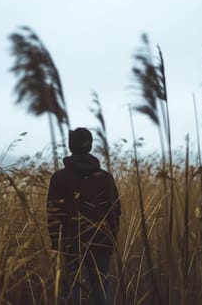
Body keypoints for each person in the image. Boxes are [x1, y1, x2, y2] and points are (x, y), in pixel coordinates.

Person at [47, 128, 121, 305]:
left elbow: (53, 214)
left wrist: (57, 244)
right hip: (101, 241)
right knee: (101, 293)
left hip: (70, 243)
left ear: (70, 146)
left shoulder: (59, 177)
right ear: (91, 146)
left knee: (71, 294)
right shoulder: (105, 178)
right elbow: (115, 212)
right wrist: (111, 240)